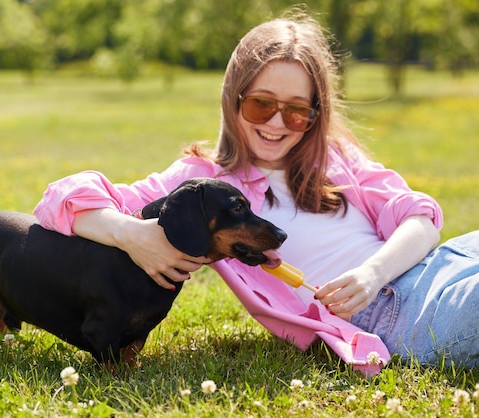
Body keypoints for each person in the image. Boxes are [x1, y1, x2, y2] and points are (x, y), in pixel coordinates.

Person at [33, 9, 479, 374]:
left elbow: (419, 218)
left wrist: (372, 274)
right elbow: (64, 197)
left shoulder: (334, 159)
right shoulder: (201, 183)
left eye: (297, 112)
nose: (276, 124)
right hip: (397, 317)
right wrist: (132, 234)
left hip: (440, 265)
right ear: (233, 96)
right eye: (261, 104)